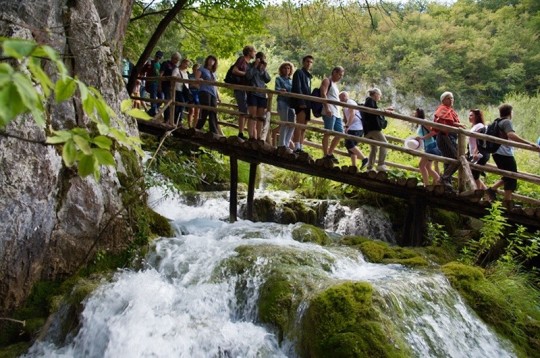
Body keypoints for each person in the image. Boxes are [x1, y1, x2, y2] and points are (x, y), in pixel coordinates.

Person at [486, 104, 540, 206]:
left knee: (508, 176)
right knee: (512, 177)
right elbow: (511, 135)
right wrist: (528, 143)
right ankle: (507, 203)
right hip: (504, 154)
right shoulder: (506, 122)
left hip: (497, 153)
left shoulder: (497, 121)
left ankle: (492, 190)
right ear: (510, 112)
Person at [433, 91, 466, 187]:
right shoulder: (442, 109)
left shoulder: (451, 110)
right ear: (443, 100)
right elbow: (444, 121)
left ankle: (446, 184)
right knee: (456, 158)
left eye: (452, 98)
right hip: (444, 136)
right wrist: (457, 124)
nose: (451, 100)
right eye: (448, 98)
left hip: (451, 137)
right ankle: (444, 179)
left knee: (449, 159)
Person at [362, 88, 392, 172]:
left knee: (374, 147)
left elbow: (374, 111)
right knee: (385, 143)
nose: (380, 97)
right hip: (372, 129)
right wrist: (384, 111)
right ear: (375, 94)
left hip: (367, 130)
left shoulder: (370, 102)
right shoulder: (370, 100)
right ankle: (380, 164)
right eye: (379, 95)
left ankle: (369, 167)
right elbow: (373, 111)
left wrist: (384, 110)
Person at [320, 66, 345, 163]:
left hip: (337, 112)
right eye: (339, 74)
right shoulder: (327, 81)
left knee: (340, 133)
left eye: (341, 75)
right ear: (334, 72)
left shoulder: (335, 85)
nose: (340, 77)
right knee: (328, 132)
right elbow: (323, 93)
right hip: (329, 111)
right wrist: (327, 108)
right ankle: (325, 154)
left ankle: (330, 153)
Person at [291, 55, 314, 154]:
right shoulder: (299, 73)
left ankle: (301, 146)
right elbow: (297, 88)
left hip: (308, 103)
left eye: (311, 62)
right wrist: (301, 102)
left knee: (304, 126)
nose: (309, 64)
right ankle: (296, 147)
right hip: (301, 102)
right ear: (303, 62)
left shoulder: (308, 76)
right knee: (299, 124)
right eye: (307, 61)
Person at [232, 45, 256, 139]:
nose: (254, 53)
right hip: (240, 88)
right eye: (254, 51)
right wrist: (245, 74)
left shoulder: (249, 63)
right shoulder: (242, 59)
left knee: (245, 110)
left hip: (245, 89)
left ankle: (241, 132)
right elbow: (234, 70)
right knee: (243, 110)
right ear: (249, 52)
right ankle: (240, 133)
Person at [245, 51, 271, 140]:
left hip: (262, 94)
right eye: (260, 59)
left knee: (260, 117)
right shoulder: (251, 66)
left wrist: (263, 69)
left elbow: (268, 79)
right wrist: (255, 66)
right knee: (252, 115)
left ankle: (259, 137)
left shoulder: (263, 69)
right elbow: (248, 76)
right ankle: (251, 136)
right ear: (256, 58)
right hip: (252, 93)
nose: (261, 61)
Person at [339, 91, 368, 169]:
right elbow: (345, 118)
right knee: (352, 148)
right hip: (352, 128)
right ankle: (354, 166)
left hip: (356, 127)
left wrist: (347, 125)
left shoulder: (350, 102)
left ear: (344, 96)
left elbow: (352, 114)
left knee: (349, 144)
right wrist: (345, 126)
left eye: (340, 97)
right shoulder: (344, 106)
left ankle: (364, 159)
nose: (339, 99)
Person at [414, 108, 441, 186]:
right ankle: (438, 183)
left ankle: (427, 185)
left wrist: (422, 138)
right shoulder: (420, 123)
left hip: (431, 146)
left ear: (419, 114)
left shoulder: (424, 122)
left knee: (421, 165)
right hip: (428, 147)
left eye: (415, 113)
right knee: (427, 167)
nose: (414, 114)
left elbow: (434, 132)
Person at [195, 55, 221, 134]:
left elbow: (215, 86)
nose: (211, 62)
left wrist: (218, 96)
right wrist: (200, 79)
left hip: (213, 93)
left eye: (213, 60)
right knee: (205, 109)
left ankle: (213, 131)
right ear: (207, 60)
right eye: (210, 60)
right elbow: (196, 78)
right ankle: (198, 128)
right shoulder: (202, 69)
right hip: (204, 91)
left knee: (213, 111)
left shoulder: (214, 73)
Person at [275, 62, 295, 152]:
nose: (287, 70)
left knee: (292, 124)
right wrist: (281, 90)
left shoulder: (292, 81)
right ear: (281, 69)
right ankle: (281, 144)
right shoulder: (279, 79)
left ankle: (286, 144)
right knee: (284, 122)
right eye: (285, 68)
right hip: (282, 101)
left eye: (288, 68)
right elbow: (276, 88)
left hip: (291, 103)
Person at [468, 109, 489, 190]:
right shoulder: (475, 126)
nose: (469, 117)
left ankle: (478, 196)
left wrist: (476, 152)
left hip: (479, 154)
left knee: (475, 175)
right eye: (469, 115)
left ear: (477, 117)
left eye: (471, 115)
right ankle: (487, 194)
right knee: (474, 175)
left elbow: (479, 141)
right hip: (474, 154)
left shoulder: (480, 126)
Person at [160, 52, 181, 124]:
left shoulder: (176, 67)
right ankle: (166, 119)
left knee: (171, 102)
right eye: (176, 59)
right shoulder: (166, 63)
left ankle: (170, 119)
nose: (176, 61)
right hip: (165, 85)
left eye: (178, 60)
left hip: (172, 87)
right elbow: (161, 75)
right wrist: (159, 85)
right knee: (167, 101)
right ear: (172, 58)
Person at [143, 50, 163, 116]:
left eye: (159, 58)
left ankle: (152, 111)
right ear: (155, 56)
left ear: (161, 58)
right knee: (153, 97)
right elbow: (143, 70)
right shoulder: (150, 63)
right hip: (151, 83)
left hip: (158, 84)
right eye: (157, 57)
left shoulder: (160, 65)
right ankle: (153, 111)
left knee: (162, 98)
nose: (157, 58)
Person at [171, 58, 191, 125]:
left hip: (184, 91)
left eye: (187, 65)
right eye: (186, 64)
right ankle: (178, 120)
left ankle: (177, 120)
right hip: (177, 90)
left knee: (180, 105)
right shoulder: (176, 70)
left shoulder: (185, 72)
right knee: (181, 104)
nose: (186, 66)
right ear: (182, 63)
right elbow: (172, 77)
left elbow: (187, 82)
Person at [188, 63, 200, 128]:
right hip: (191, 93)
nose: (195, 71)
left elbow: (200, 86)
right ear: (192, 69)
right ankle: (189, 125)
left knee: (197, 111)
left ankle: (194, 126)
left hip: (198, 94)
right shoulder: (190, 76)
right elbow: (188, 85)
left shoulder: (200, 77)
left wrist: (193, 85)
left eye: (197, 70)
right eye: (194, 69)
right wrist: (194, 85)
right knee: (191, 110)